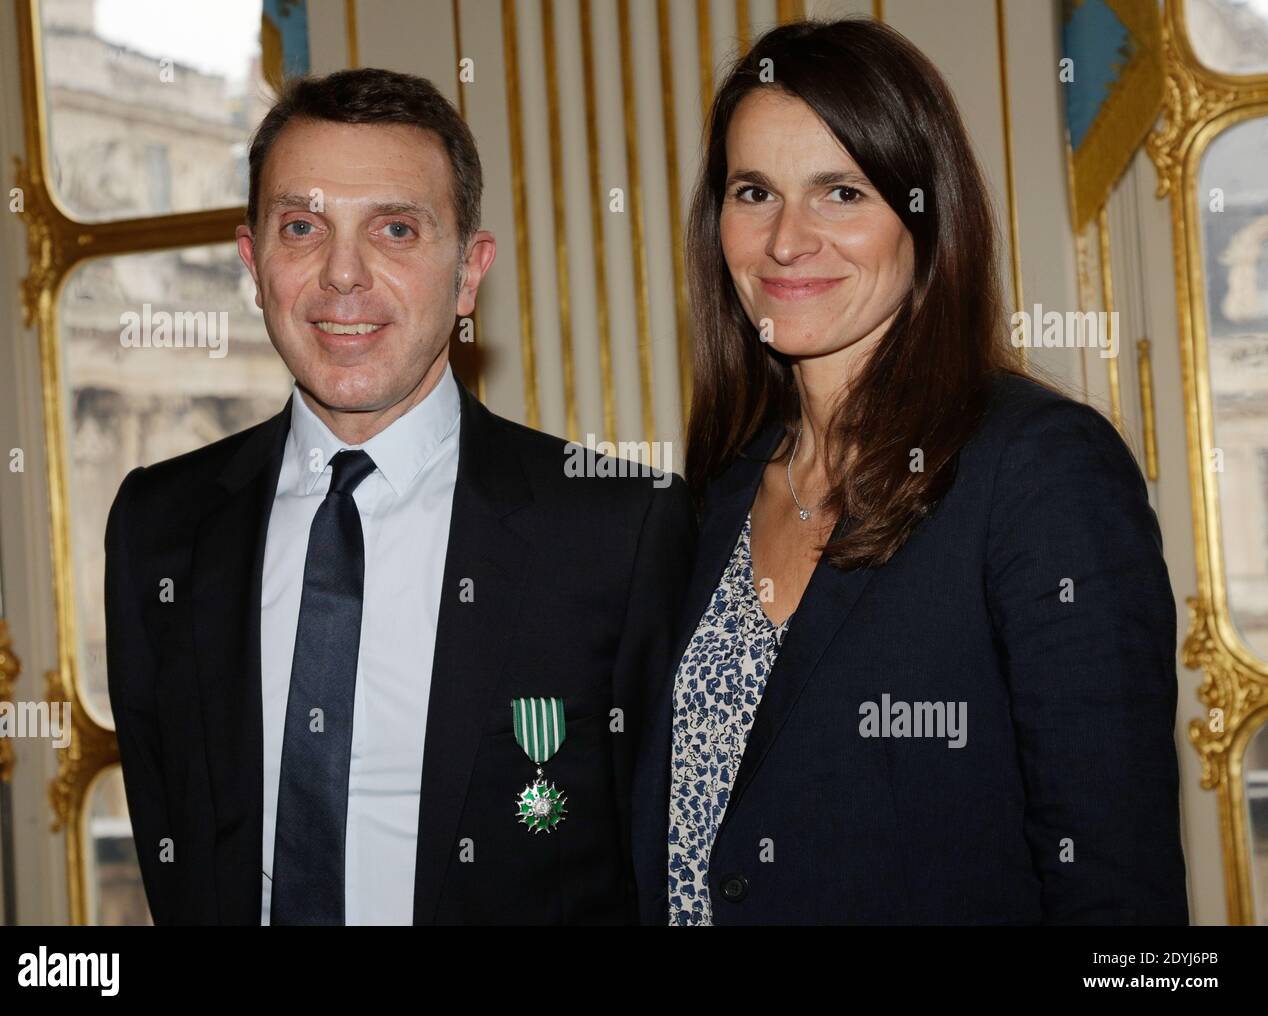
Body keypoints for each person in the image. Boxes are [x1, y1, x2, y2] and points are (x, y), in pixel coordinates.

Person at [631, 18, 1189, 925]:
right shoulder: (719, 491)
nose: (785, 240)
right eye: (753, 192)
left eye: (842, 192)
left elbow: (1120, 895)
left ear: (926, 217)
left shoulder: (1043, 471)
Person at [105, 68, 693, 925]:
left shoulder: (618, 530)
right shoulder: (160, 526)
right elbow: (176, 843)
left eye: (396, 229)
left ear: (467, 273)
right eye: (302, 227)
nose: (343, 275)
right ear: (252, 261)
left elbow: (659, 869)